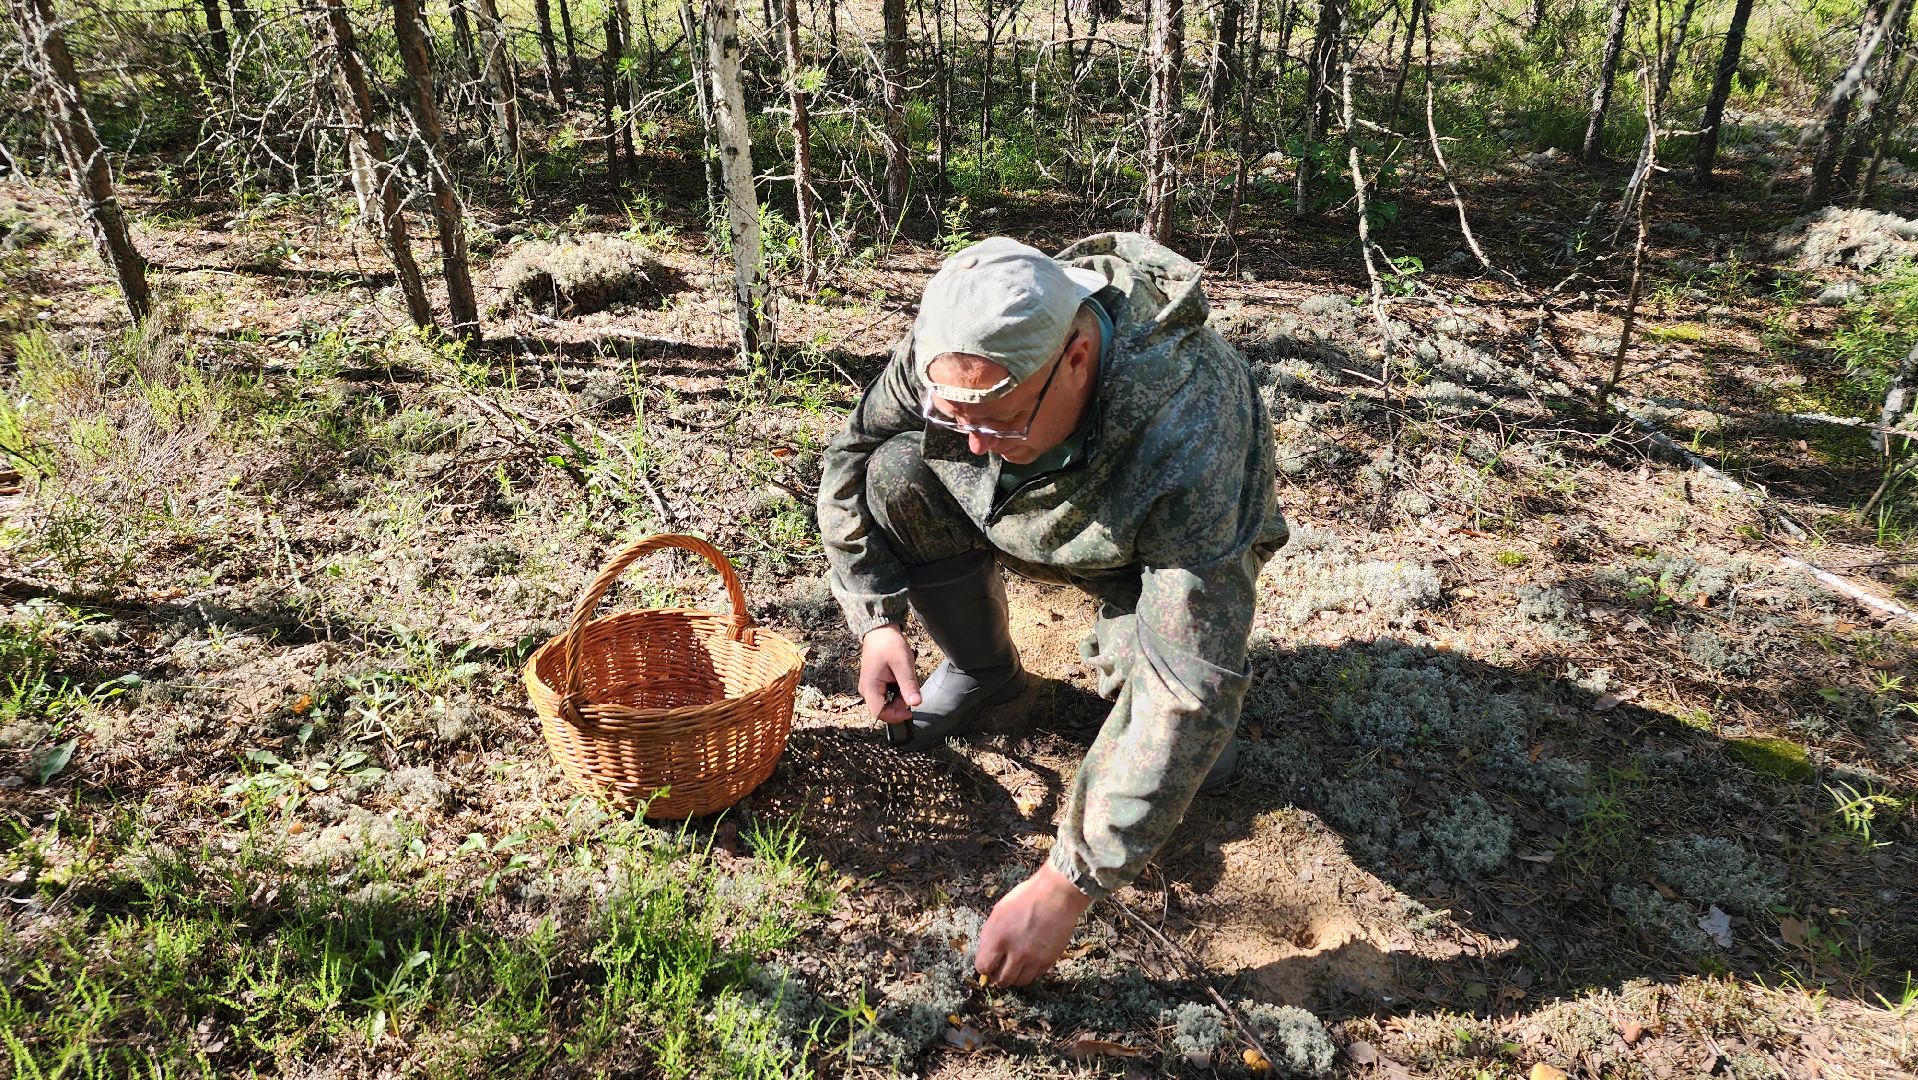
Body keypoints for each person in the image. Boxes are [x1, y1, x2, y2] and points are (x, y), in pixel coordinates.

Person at [815, 233, 1288, 988]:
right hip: (1017, 515)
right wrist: (875, 616)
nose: (972, 443)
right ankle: (984, 673)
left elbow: (1187, 690)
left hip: (1139, 556)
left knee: (1196, 754)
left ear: (1074, 360)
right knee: (897, 470)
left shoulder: (1192, 424)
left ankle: (1122, 647)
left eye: (999, 422)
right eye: (956, 417)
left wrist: (1066, 884)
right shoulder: (959, 343)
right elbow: (851, 455)